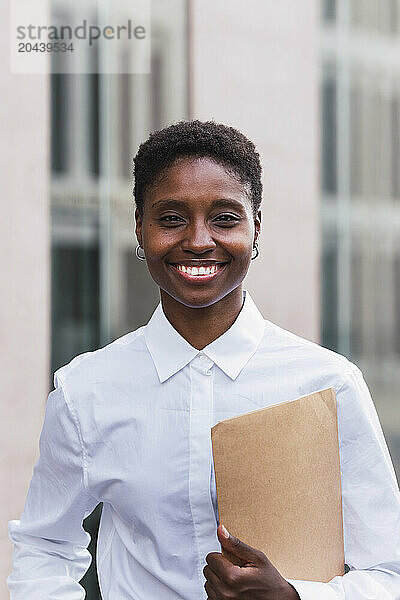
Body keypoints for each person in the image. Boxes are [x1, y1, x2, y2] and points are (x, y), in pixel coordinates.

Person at [7, 120, 400, 600]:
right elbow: (44, 547)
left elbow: (390, 571)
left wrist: (295, 597)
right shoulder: (85, 389)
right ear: (139, 228)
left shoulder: (326, 384)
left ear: (256, 226)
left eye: (225, 218)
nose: (197, 240)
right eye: (170, 218)